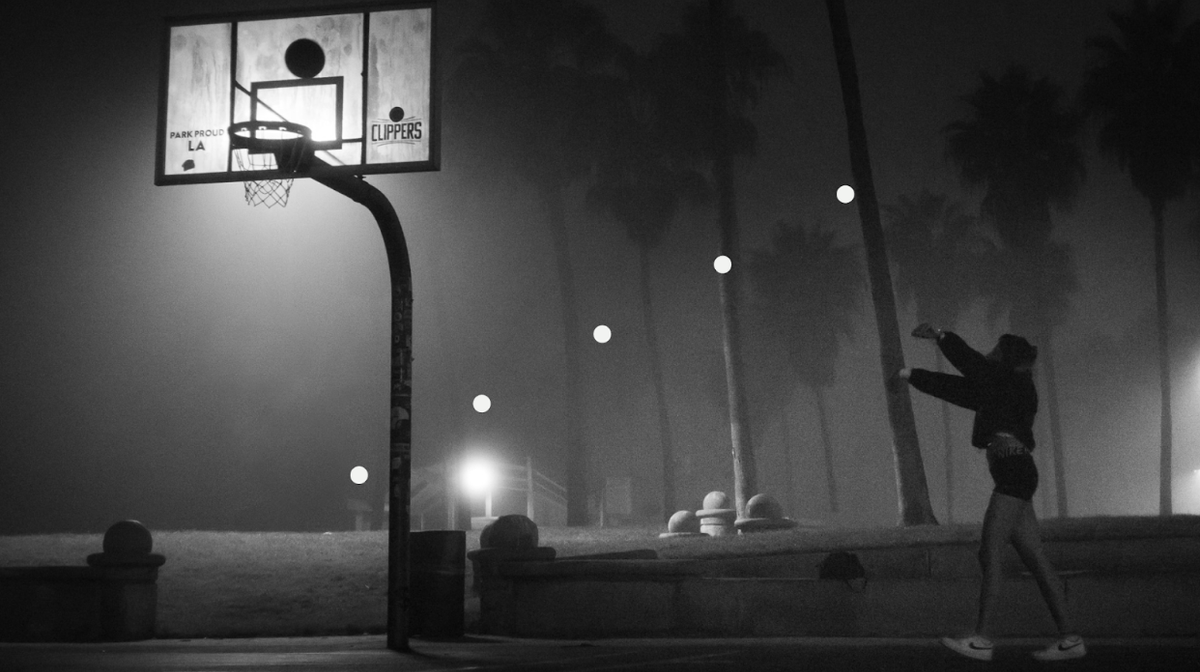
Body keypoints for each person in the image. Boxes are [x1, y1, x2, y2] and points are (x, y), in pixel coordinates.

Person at [898, 323, 1085, 662]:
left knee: (990, 552)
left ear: (1007, 358)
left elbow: (972, 366)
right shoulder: (1002, 387)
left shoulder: (1011, 382)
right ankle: (1070, 638)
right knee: (1035, 557)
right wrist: (914, 375)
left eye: (996, 351)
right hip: (1015, 471)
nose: (990, 354)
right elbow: (960, 390)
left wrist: (942, 336)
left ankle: (982, 640)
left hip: (1013, 473)